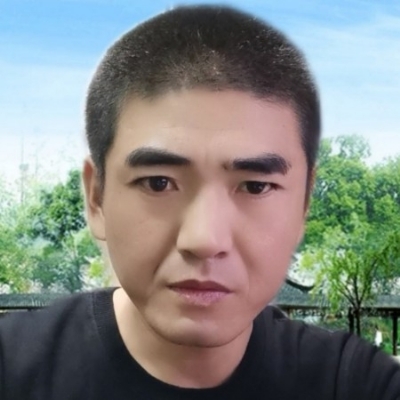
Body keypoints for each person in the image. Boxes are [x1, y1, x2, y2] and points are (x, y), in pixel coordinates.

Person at [0, 5, 399, 400]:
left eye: (255, 187)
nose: (205, 240)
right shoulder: (12, 369)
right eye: (158, 183)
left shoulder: (354, 383)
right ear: (96, 198)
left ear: (305, 202)